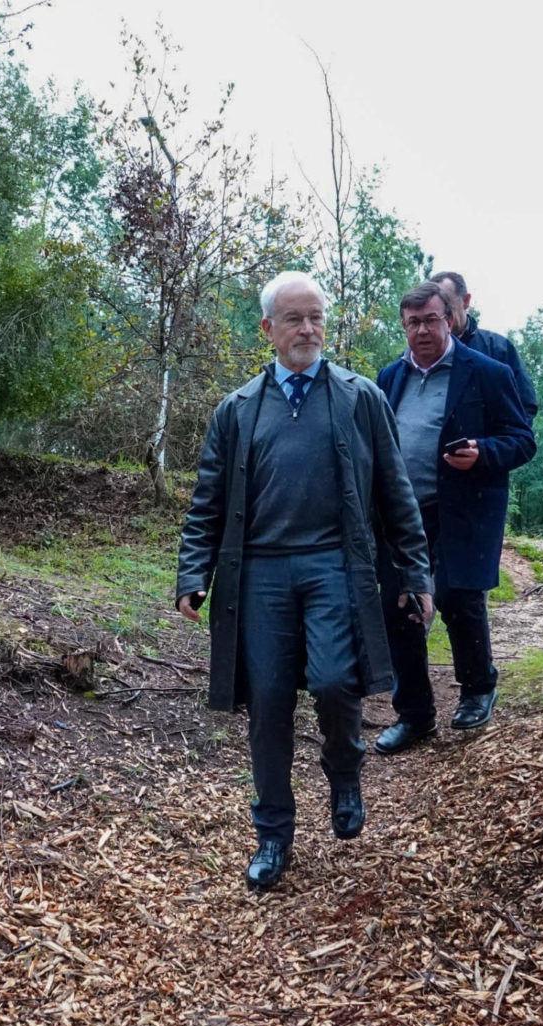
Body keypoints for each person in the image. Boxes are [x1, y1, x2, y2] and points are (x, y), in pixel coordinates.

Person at [175, 270, 433, 891]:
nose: (308, 329)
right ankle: (272, 834)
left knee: (336, 682)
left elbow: (395, 492)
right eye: (294, 318)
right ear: (268, 328)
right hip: (259, 573)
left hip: (334, 566)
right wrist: (193, 571)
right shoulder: (236, 410)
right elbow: (208, 502)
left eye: (316, 317)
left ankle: (344, 772)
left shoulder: (360, 399)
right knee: (266, 703)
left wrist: (415, 570)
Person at [372, 282, 536, 755]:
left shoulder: (487, 372)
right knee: (399, 607)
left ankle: (478, 688)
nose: (422, 330)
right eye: (413, 322)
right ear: (404, 326)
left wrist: (484, 451)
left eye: (431, 320)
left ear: (450, 319)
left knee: (457, 596)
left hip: (464, 508)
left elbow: (522, 440)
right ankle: (414, 715)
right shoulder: (389, 377)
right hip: (402, 513)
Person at [430, 270, 539, 417]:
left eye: (447, 304)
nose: (442, 314)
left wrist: (504, 433)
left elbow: (525, 405)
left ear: (466, 301)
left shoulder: (499, 349)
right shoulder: (417, 356)